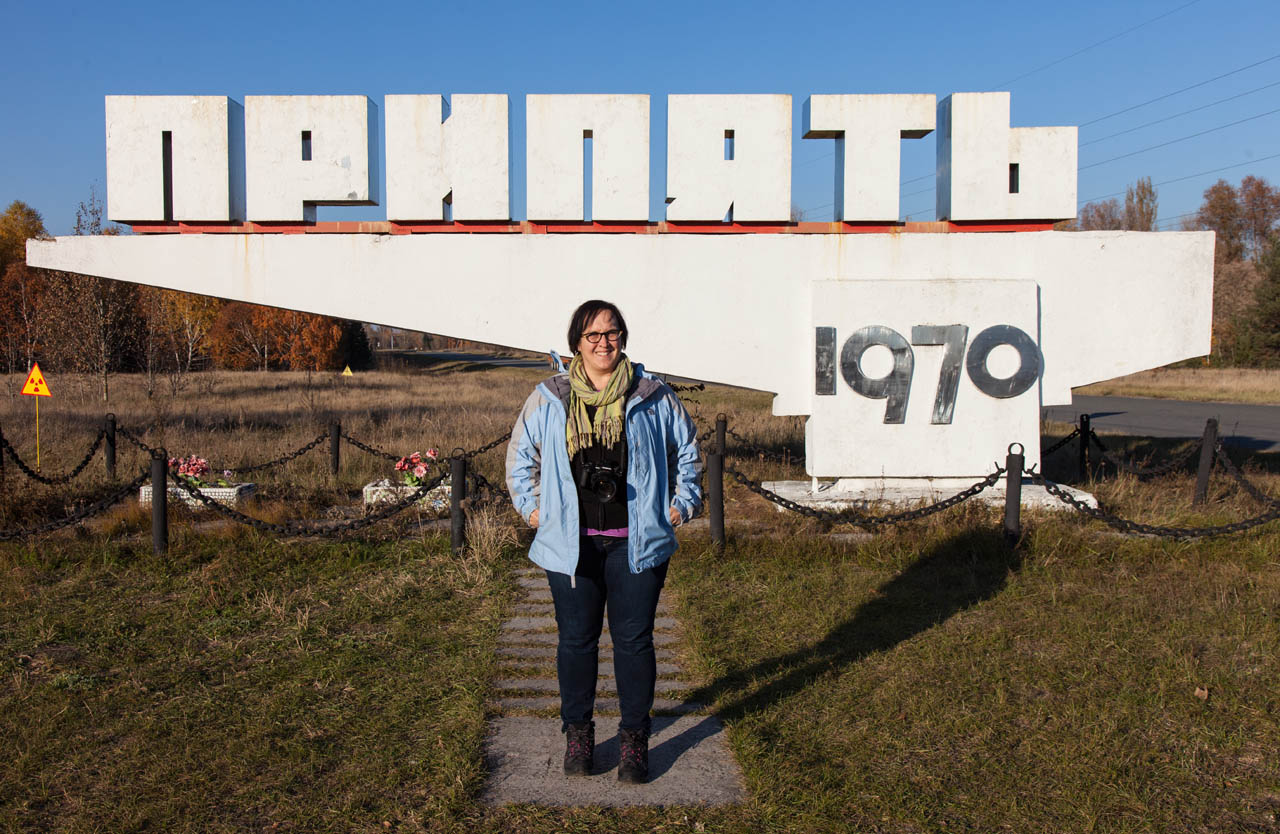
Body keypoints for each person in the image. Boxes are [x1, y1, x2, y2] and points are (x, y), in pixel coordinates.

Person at [505, 299, 702, 784]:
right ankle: (579, 734)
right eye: (592, 335)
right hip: (570, 544)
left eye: (611, 334)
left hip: (638, 542)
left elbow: (689, 450)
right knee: (576, 641)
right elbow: (519, 456)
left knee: (634, 642)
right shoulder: (549, 397)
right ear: (576, 343)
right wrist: (534, 510)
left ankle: (635, 739)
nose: (603, 343)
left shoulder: (653, 395)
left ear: (623, 339)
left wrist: (681, 504)